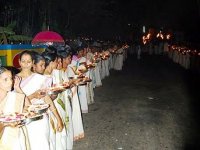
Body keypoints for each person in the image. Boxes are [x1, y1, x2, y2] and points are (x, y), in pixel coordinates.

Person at [17, 50, 63, 150]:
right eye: (23, 61)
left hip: (41, 118)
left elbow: (47, 99)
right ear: (19, 62)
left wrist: (58, 118)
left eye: (28, 61)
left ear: (33, 62)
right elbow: (15, 103)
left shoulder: (39, 78)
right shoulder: (14, 80)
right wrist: (32, 96)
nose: (26, 64)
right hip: (25, 120)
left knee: (43, 144)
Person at [0, 66, 30, 150]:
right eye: (5, 79)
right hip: (3, 140)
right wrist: (6, 124)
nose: (10, 82)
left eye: (11, 78)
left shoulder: (14, 96)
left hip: (17, 139)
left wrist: (18, 88)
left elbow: (29, 107)